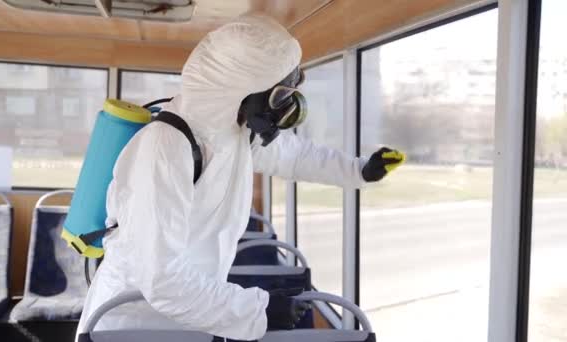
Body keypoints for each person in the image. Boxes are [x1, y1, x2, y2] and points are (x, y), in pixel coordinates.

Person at [76, 14, 404, 341]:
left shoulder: (232, 133)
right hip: (130, 323)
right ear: (237, 90)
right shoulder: (165, 149)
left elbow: (293, 155)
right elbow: (160, 276)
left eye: (291, 89)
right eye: (279, 96)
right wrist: (257, 310)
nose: (287, 107)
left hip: (191, 315)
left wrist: (358, 170)